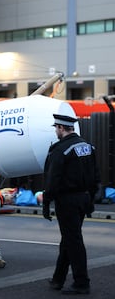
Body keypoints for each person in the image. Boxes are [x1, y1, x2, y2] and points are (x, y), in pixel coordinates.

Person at [43, 113, 100, 295]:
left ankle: (81, 282)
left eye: (56, 128)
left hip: (67, 200)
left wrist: (46, 203)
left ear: (61, 128)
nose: (55, 131)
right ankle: (58, 279)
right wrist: (90, 199)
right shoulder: (88, 146)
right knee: (69, 238)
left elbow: (53, 180)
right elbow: (96, 177)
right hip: (83, 198)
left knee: (73, 240)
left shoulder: (60, 150)